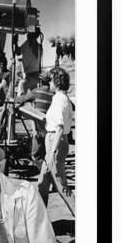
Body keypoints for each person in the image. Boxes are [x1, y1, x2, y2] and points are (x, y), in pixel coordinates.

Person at [38, 68, 74, 206]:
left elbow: (59, 127)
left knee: (61, 184)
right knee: (43, 183)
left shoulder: (60, 100)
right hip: (56, 141)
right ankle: (40, 218)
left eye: (51, 80)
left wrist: (52, 152)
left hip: (55, 142)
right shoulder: (63, 99)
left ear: (56, 82)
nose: (49, 83)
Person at [16, 71, 55, 169]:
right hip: (49, 129)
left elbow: (21, 99)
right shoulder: (53, 95)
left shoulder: (36, 92)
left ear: (41, 81)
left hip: (38, 129)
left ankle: (46, 172)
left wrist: (16, 98)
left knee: (35, 155)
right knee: (47, 154)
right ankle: (47, 172)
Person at [14, 30, 43, 96]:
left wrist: (15, 42)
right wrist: (15, 42)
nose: (27, 36)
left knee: (22, 84)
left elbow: (17, 52)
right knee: (31, 92)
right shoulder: (31, 45)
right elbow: (18, 52)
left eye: (29, 35)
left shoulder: (31, 45)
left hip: (33, 74)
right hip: (30, 74)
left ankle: (19, 102)